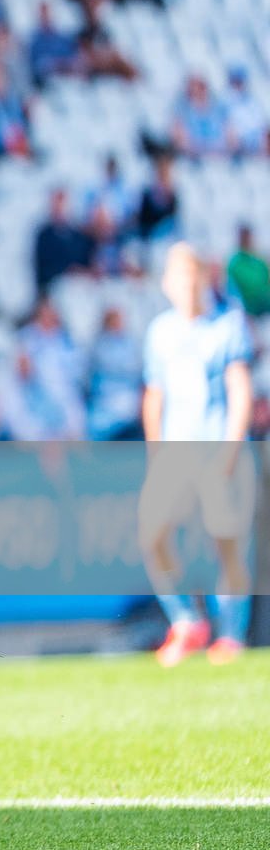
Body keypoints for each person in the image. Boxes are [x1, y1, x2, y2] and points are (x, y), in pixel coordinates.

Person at [139, 244, 254, 666]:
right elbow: (155, 396)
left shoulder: (226, 327)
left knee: (225, 542)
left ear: (205, 280)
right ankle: (186, 620)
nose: (188, 285)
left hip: (214, 446)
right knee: (153, 533)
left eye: (194, 276)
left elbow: (240, 392)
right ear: (167, 284)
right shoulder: (160, 332)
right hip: (176, 451)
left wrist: (229, 451)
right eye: (180, 277)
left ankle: (230, 636)